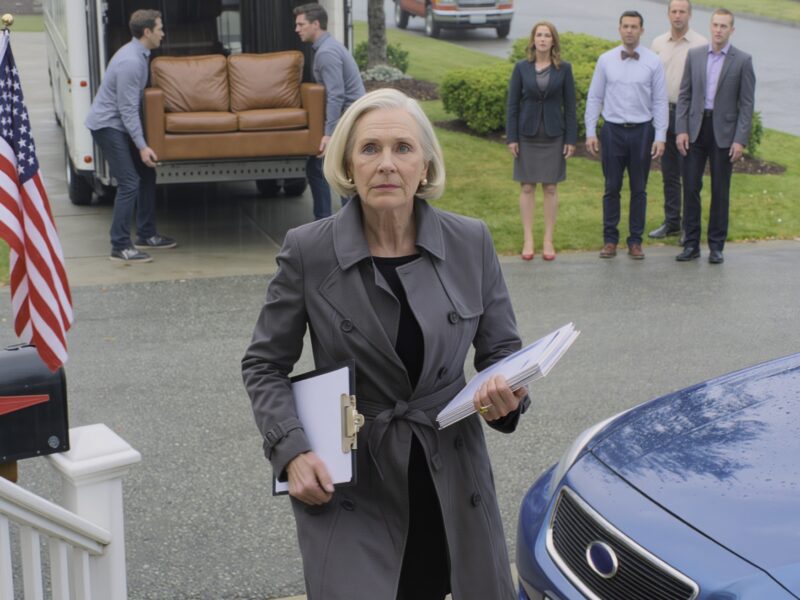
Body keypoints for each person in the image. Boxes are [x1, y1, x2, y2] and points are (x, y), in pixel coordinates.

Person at [242, 88, 529, 600]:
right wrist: (291, 450)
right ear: (349, 166)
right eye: (370, 148)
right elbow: (264, 364)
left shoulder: (471, 241)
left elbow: (502, 351)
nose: (387, 164)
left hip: (451, 476)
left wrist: (506, 394)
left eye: (403, 148)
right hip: (356, 481)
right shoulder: (308, 250)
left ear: (426, 166)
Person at [85, 9, 176, 263]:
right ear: (147, 32)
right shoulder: (131, 62)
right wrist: (142, 146)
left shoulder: (140, 54)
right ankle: (120, 245)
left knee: (146, 174)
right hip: (107, 126)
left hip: (120, 124)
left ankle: (146, 234)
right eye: (159, 29)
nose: (163, 33)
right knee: (129, 183)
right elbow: (127, 109)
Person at [585, 10, 668, 260]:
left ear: (642, 30)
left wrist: (660, 136)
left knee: (639, 189)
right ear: (619, 29)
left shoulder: (653, 61)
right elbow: (595, 97)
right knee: (611, 187)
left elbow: (660, 101)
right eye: (626, 26)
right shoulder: (606, 60)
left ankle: (635, 241)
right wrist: (590, 131)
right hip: (612, 130)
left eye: (634, 26)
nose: (629, 31)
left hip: (642, 131)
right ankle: (610, 240)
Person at [675, 9, 755, 264]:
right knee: (690, 187)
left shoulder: (742, 60)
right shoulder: (695, 55)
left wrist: (740, 139)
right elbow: (684, 95)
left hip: (724, 133)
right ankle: (691, 244)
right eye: (716, 25)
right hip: (696, 130)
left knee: (720, 190)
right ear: (710, 27)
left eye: (724, 26)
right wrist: (681, 129)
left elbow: (746, 105)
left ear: (732, 30)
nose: (719, 30)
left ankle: (716, 246)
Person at [506, 21, 577, 262]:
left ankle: (548, 240)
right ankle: (528, 239)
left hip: (554, 134)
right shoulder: (521, 68)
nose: (543, 39)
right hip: (527, 134)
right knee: (527, 186)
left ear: (553, 41)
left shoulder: (564, 69)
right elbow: (512, 105)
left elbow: (570, 107)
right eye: (539, 35)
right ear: (533, 40)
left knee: (550, 187)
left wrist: (571, 138)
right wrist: (512, 137)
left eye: (547, 35)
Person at [294, 3, 365, 220]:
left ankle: (331, 222)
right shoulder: (328, 47)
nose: (297, 29)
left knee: (326, 169)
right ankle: (340, 221)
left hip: (349, 119)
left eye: (301, 24)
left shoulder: (327, 53)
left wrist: (329, 134)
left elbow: (336, 95)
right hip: (349, 117)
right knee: (329, 169)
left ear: (316, 24)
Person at [649, 0, 707, 241]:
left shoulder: (701, 44)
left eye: (682, 11)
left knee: (690, 174)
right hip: (664, 113)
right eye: (674, 11)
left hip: (690, 116)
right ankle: (672, 221)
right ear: (668, 14)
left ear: (690, 15)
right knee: (669, 172)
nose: (678, 15)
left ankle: (689, 226)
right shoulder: (658, 43)